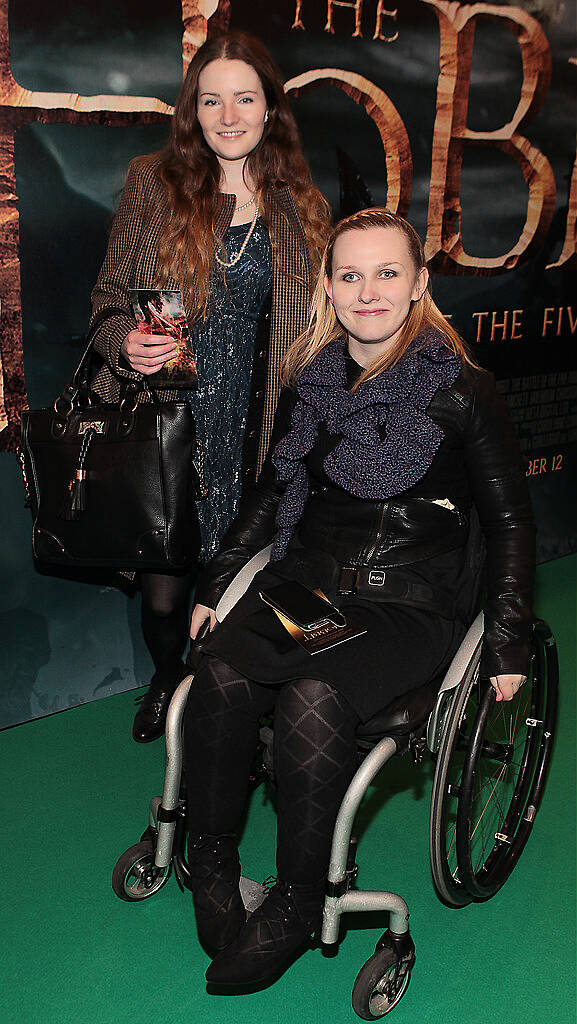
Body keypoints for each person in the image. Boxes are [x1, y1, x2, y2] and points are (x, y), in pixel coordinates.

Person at [182, 208, 535, 988]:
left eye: (386, 273)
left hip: (409, 603)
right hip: (311, 587)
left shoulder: (462, 391)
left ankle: (298, 903)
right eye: (349, 275)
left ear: (417, 285)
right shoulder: (310, 384)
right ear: (329, 289)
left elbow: (510, 520)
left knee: (314, 689)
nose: (367, 291)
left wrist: (507, 636)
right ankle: (209, 865)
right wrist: (218, 582)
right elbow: (271, 494)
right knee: (221, 672)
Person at [89, 31, 330, 742]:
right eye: (211, 99)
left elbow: (320, 326)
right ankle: (168, 679)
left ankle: (221, 705)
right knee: (166, 601)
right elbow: (106, 296)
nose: (228, 115)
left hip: (255, 430)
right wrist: (120, 341)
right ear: (192, 110)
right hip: (169, 426)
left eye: (245, 98)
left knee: (238, 592)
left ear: (269, 109)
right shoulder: (152, 181)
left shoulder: (298, 202)